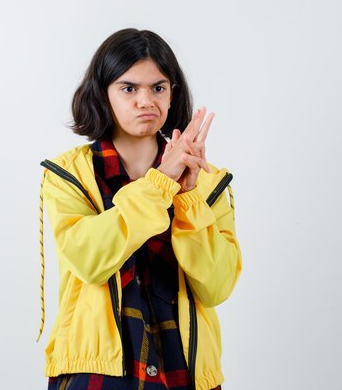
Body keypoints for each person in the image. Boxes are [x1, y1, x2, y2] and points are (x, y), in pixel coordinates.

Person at [37, 28, 242, 390]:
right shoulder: (69, 175)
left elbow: (217, 287)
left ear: (172, 93)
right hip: (98, 372)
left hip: (185, 369)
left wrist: (189, 196)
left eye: (158, 88)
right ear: (103, 94)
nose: (146, 101)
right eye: (129, 88)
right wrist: (161, 183)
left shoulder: (210, 182)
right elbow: (90, 260)